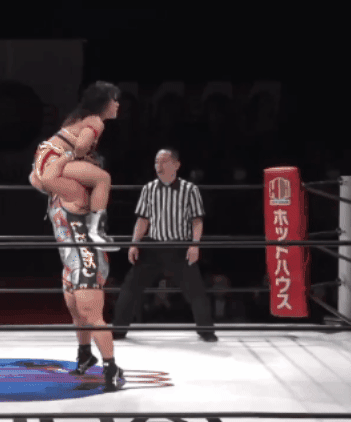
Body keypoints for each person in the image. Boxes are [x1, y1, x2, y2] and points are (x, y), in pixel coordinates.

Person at [29, 166, 125, 392]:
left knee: (91, 315)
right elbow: (35, 177)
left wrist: (61, 159)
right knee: (77, 313)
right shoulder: (54, 191)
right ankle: (85, 355)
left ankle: (111, 367)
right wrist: (46, 159)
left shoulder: (75, 191)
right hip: (70, 261)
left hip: (87, 259)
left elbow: (42, 175)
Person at [112, 148, 217, 342]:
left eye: (163, 161)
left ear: (176, 165)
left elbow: (197, 221)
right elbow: (142, 220)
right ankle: (118, 330)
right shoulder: (149, 189)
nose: (158, 166)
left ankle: (206, 330)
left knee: (195, 290)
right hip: (153, 247)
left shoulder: (190, 189)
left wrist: (195, 245)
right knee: (130, 287)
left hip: (179, 247)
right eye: (156, 162)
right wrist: (134, 244)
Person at [29, 81, 120, 251]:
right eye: (114, 100)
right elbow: (80, 146)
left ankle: (85, 230)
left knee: (86, 189)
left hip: (45, 160)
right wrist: (81, 157)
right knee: (103, 178)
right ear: (104, 103)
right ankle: (95, 233)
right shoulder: (95, 121)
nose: (117, 104)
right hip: (53, 160)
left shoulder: (78, 117)